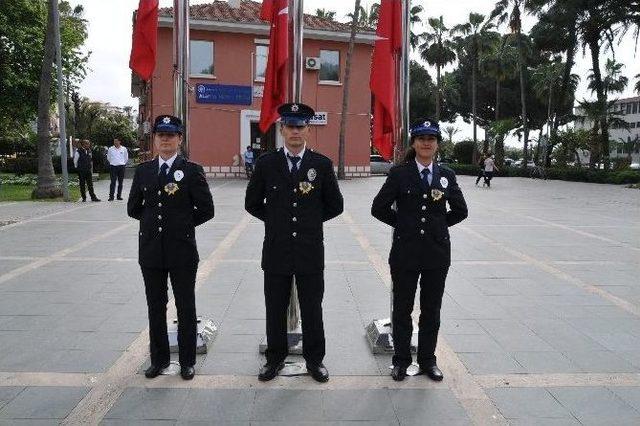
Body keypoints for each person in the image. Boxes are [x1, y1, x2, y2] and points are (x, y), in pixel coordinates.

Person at [245, 103, 344, 383]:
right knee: (274, 307)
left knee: (313, 308)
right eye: (290, 126)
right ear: (282, 129)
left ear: (307, 130)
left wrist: (309, 222)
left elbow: (335, 205)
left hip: (310, 251)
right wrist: (276, 221)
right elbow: (252, 203)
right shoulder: (266, 164)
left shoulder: (321, 165)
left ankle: (315, 361)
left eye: (300, 126)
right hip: (276, 249)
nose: (295, 132)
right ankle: (274, 359)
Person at [371, 118, 468, 382]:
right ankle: (401, 361)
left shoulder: (446, 175)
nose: (426, 143)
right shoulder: (399, 174)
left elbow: (461, 211)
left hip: (436, 255)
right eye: (422, 138)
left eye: (431, 139)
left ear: (437, 144)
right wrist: (404, 225)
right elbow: (378, 208)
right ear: (414, 143)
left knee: (431, 310)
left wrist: (439, 226)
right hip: (405, 252)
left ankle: (427, 361)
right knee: (402, 309)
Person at [127, 115, 215, 381]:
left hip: (182, 251)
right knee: (156, 306)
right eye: (160, 135)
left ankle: (187, 362)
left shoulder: (191, 170)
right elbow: (133, 208)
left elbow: (207, 210)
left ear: (180, 139)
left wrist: (183, 225)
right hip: (151, 250)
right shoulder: (143, 171)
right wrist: (154, 223)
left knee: (186, 307)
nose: (165, 139)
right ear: (154, 139)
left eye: (171, 134)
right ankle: (159, 360)